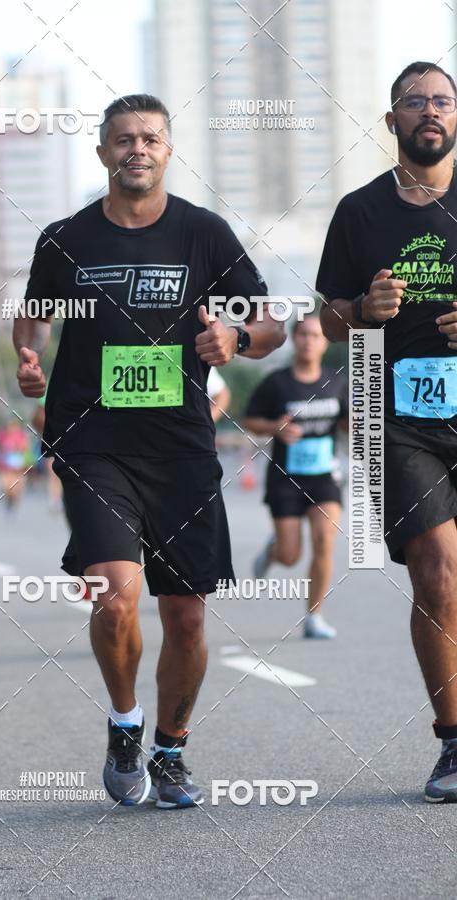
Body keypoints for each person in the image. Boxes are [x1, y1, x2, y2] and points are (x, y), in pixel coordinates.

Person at [14, 94, 285, 808]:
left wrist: (239, 340)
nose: (137, 149)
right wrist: (27, 357)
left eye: (151, 139)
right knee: (114, 595)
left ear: (168, 150)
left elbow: (267, 321)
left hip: (181, 447)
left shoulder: (203, 234)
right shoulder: (67, 238)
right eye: (123, 139)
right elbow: (33, 314)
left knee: (187, 615)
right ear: (102, 152)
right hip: (92, 442)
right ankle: (125, 720)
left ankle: (170, 748)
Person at [317, 61, 457, 801]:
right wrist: (363, 310)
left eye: (441, 100)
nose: (428, 112)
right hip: (397, 414)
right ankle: (453, 743)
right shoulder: (359, 212)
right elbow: (325, 320)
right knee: (437, 569)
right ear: (392, 120)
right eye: (414, 102)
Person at [243, 315, 347, 639]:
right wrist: (276, 428)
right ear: (293, 338)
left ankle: (314, 617)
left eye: (315, 335)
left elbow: (346, 422)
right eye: (302, 335)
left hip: (324, 476)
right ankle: (274, 550)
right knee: (291, 556)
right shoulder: (276, 382)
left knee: (324, 541)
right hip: (286, 478)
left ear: (325, 341)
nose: (308, 341)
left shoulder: (337, 381)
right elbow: (249, 420)